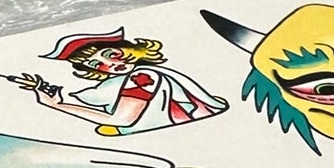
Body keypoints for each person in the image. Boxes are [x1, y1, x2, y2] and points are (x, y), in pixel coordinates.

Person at [19, 28, 226, 137]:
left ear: (128, 47)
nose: (109, 64)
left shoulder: (143, 76)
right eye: (96, 64)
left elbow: (122, 120)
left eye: (110, 54)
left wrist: (57, 105)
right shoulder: (118, 84)